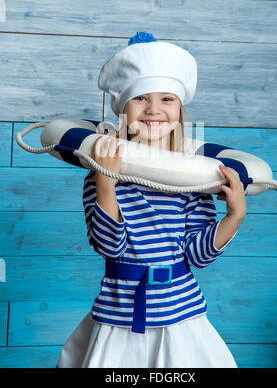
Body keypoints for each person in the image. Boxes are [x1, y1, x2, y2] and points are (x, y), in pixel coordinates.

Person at [56, 31, 247, 368]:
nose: (154, 109)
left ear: (179, 109)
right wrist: (106, 181)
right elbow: (108, 246)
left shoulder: (193, 177)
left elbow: (196, 255)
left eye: (167, 99)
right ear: (123, 108)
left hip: (182, 316)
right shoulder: (98, 173)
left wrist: (233, 218)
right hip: (120, 317)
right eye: (141, 98)